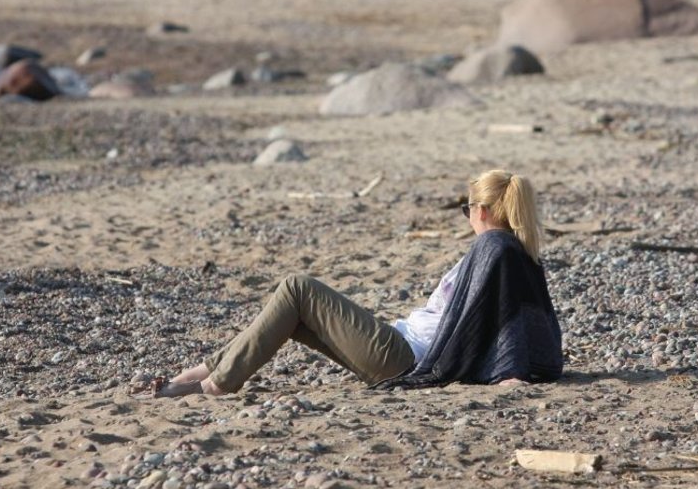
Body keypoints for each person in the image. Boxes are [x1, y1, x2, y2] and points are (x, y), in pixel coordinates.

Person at [146, 170, 564, 397]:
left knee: (297, 287)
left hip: (407, 357)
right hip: (401, 344)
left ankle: (215, 382)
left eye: (467, 209)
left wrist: (512, 371)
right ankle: (209, 371)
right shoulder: (506, 251)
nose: (467, 217)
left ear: (484, 211)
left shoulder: (495, 247)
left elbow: (512, 317)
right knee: (290, 314)